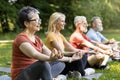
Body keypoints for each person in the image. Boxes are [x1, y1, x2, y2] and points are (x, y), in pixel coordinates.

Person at [11, 6, 66, 80]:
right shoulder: (21, 39)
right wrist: (50, 58)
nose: (39, 22)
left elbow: (49, 53)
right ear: (26, 23)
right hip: (22, 76)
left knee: (60, 64)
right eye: (36, 20)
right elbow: (35, 54)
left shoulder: (37, 39)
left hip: (35, 73)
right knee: (43, 64)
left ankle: (46, 77)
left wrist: (57, 56)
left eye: (39, 19)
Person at [45, 12, 95, 78]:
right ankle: (83, 72)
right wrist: (75, 53)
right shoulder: (51, 35)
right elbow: (62, 53)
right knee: (76, 56)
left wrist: (88, 52)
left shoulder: (60, 35)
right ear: (55, 22)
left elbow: (72, 48)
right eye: (62, 21)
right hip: (57, 62)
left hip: (63, 60)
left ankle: (74, 73)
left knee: (83, 55)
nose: (64, 23)